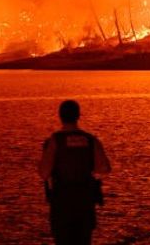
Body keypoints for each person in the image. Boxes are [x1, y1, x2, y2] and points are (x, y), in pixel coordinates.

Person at [38, 100, 111, 245]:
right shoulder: (91, 140)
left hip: (62, 203)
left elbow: (44, 173)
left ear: (60, 116)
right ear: (78, 115)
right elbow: (104, 168)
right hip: (84, 202)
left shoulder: (54, 141)